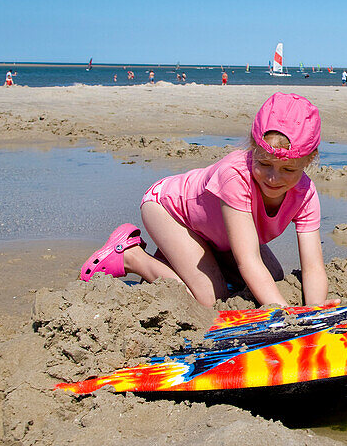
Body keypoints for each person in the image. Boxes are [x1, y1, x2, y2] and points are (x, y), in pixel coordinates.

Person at [79, 93, 331, 308]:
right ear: (252, 147)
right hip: (170, 211)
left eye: (288, 170)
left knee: (274, 276)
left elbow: (313, 267)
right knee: (209, 298)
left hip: (216, 235)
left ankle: (179, 260)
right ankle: (131, 256)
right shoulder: (235, 174)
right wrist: (282, 313)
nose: (274, 178)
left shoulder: (305, 194)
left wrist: (316, 311)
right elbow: (249, 259)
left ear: (309, 160)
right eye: (264, 164)